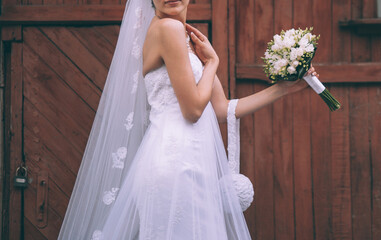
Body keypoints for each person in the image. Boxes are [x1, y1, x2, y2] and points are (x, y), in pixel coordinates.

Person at [57, 0, 317, 238]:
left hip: (190, 162)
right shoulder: (167, 28)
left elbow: (220, 108)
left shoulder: (185, 38)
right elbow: (193, 110)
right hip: (175, 164)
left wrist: (284, 88)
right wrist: (213, 62)